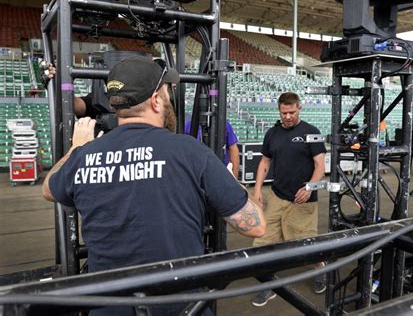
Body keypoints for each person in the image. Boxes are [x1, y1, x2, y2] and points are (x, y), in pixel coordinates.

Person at [42, 56, 266, 316]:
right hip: (182, 308)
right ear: (156, 100)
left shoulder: (84, 156)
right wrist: (233, 187)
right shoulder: (189, 151)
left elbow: (48, 189)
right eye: (167, 91)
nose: (169, 98)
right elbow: (256, 226)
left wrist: (75, 148)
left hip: (110, 308)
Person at [251, 92, 327, 307]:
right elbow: (265, 162)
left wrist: (310, 187)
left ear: (299, 108)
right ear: (279, 111)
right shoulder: (272, 134)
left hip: (303, 200)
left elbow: (320, 166)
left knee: (303, 246)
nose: (288, 117)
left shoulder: (313, 132)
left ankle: (321, 267)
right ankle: (269, 285)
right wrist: (256, 190)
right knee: (264, 243)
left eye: (292, 112)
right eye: (284, 113)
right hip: (276, 196)